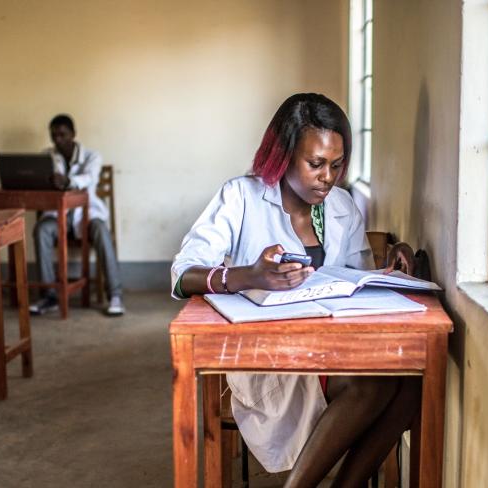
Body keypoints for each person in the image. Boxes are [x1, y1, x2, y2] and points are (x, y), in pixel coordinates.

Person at [171, 93, 419, 486]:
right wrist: (248, 275)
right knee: (374, 383)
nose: (328, 177)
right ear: (283, 155)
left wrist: (389, 269)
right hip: (271, 357)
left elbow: (356, 283)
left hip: (334, 351)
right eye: (316, 164)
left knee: (409, 384)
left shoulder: (342, 206)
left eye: (337, 165)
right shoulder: (241, 197)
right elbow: (183, 274)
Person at [29, 114, 125, 316]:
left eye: (62, 134)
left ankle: (115, 295)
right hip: (58, 215)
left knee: (101, 229)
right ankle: (49, 296)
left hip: (86, 216)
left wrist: (66, 181)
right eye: (53, 135)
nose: (58, 139)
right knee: (41, 230)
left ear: (73, 134)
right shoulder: (47, 156)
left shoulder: (92, 156)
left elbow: (89, 178)